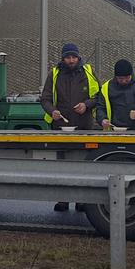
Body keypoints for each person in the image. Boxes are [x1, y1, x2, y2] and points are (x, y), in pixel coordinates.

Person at [40, 43, 100, 212]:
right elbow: (45, 99)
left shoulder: (88, 72)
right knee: (62, 165)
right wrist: (52, 111)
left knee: (84, 165)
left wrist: (86, 105)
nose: (71, 60)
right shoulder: (54, 74)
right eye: (68, 57)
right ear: (63, 58)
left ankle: (82, 200)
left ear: (78, 57)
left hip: (84, 126)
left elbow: (98, 96)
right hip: (61, 127)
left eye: (74, 57)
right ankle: (63, 199)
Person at [96, 59, 135, 131]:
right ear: (115, 76)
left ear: (131, 74)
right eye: (120, 78)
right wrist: (102, 119)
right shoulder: (107, 88)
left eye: (127, 78)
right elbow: (100, 107)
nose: (124, 81)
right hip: (117, 130)